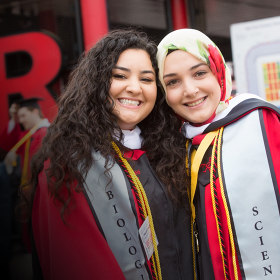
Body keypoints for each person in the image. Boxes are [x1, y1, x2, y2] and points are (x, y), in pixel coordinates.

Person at [22, 29, 194, 280]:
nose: (134, 88)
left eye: (146, 80)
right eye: (119, 76)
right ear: (97, 83)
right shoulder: (68, 165)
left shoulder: (168, 152)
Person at [157, 29, 280, 280]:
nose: (190, 90)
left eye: (200, 73)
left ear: (219, 72)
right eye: (173, 81)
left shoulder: (263, 122)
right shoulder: (172, 149)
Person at [0, 97, 50, 254]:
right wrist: (12, 118)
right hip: (27, 193)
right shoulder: (28, 135)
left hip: (40, 194)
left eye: (23, 116)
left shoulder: (48, 132)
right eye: (19, 117)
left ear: (35, 111)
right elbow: (6, 144)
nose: (21, 120)